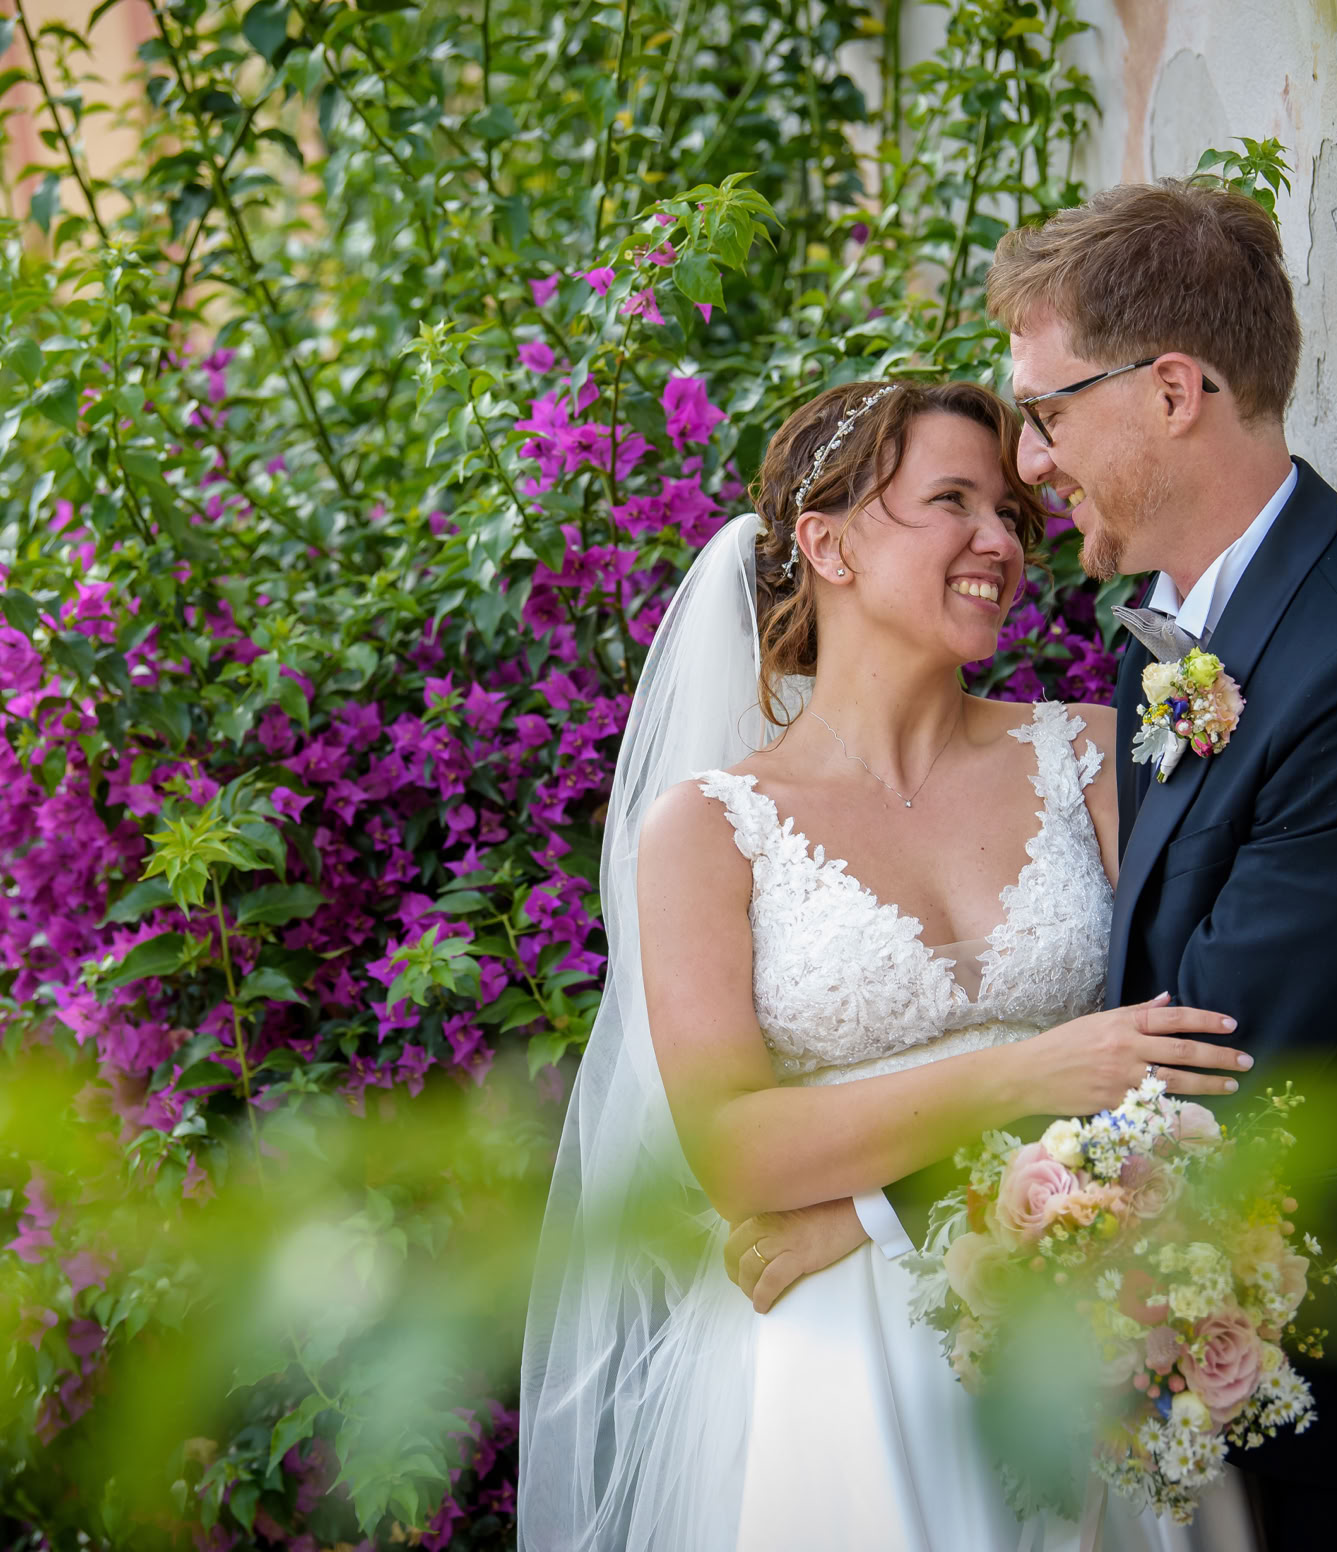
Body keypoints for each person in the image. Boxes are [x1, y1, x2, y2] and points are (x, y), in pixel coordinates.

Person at [748, 183, 1337, 1549]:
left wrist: (879, 1213)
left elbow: (1214, 1058)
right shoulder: (1181, 643)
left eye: (1050, 414)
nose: (1038, 464)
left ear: (1173, 389)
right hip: (1225, 1405)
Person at [517, 376, 1258, 1550]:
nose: (1000, 541)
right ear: (828, 543)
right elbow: (738, 1153)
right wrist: (1027, 1074)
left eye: (1011, 510)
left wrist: (870, 1211)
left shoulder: (1095, 755)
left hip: (1085, 1331)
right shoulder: (707, 830)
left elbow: (1185, 1056)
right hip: (834, 1377)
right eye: (952, 501)